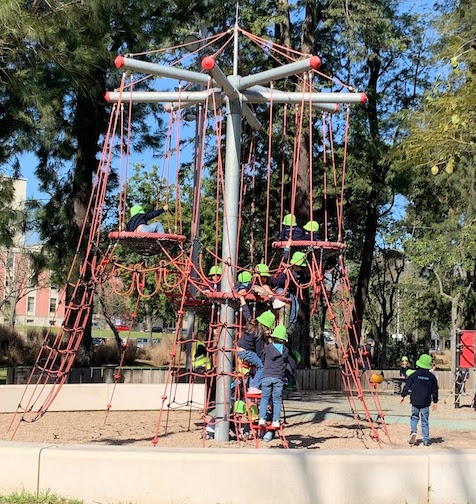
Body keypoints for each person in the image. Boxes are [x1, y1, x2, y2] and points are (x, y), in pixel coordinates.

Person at [237, 295, 275, 394]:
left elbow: (246, 312)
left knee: (258, 364)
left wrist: (242, 298)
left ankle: (253, 384)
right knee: (262, 366)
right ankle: (253, 386)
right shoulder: (259, 334)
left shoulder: (252, 323)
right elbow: (259, 352)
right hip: (246, 352)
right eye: (267, 328)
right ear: (264, 326)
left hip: (240, 349)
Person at [400, 353, 439, 447]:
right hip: (425, 402)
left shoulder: (414, 375)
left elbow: (407, 385)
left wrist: (403, 396)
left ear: (419, 364)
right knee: (425, 421)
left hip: (415, 400)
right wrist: (435, 401)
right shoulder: (431, 377)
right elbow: (435, 390)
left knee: (414, 417)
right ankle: (425, 441)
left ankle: (413, 431)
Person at [259, 324, 290, 428]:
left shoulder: (268, 348)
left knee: (264, 398)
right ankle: (276, 420)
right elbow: (286, 362)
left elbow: (262, 359)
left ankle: (262, 419)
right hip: (278, 377)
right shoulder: (285, 351)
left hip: (267, 376)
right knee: (277, 399)